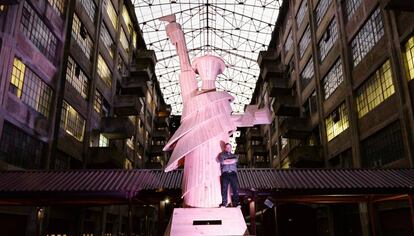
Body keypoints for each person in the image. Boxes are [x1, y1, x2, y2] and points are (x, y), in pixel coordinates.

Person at [219, 143, 240, 208]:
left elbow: (235, 160)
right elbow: (223, 162)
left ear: (231, 148)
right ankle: (224, 203)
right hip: (225, 174)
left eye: (229, 147)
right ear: (225, 148)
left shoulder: (235, 155)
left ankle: (236, 203)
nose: (228, 148)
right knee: (224, 188)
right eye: (227, 147)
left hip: (233, 174)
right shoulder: (222, 155)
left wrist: (227, 160)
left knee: (235, 188)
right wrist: (231, 160)